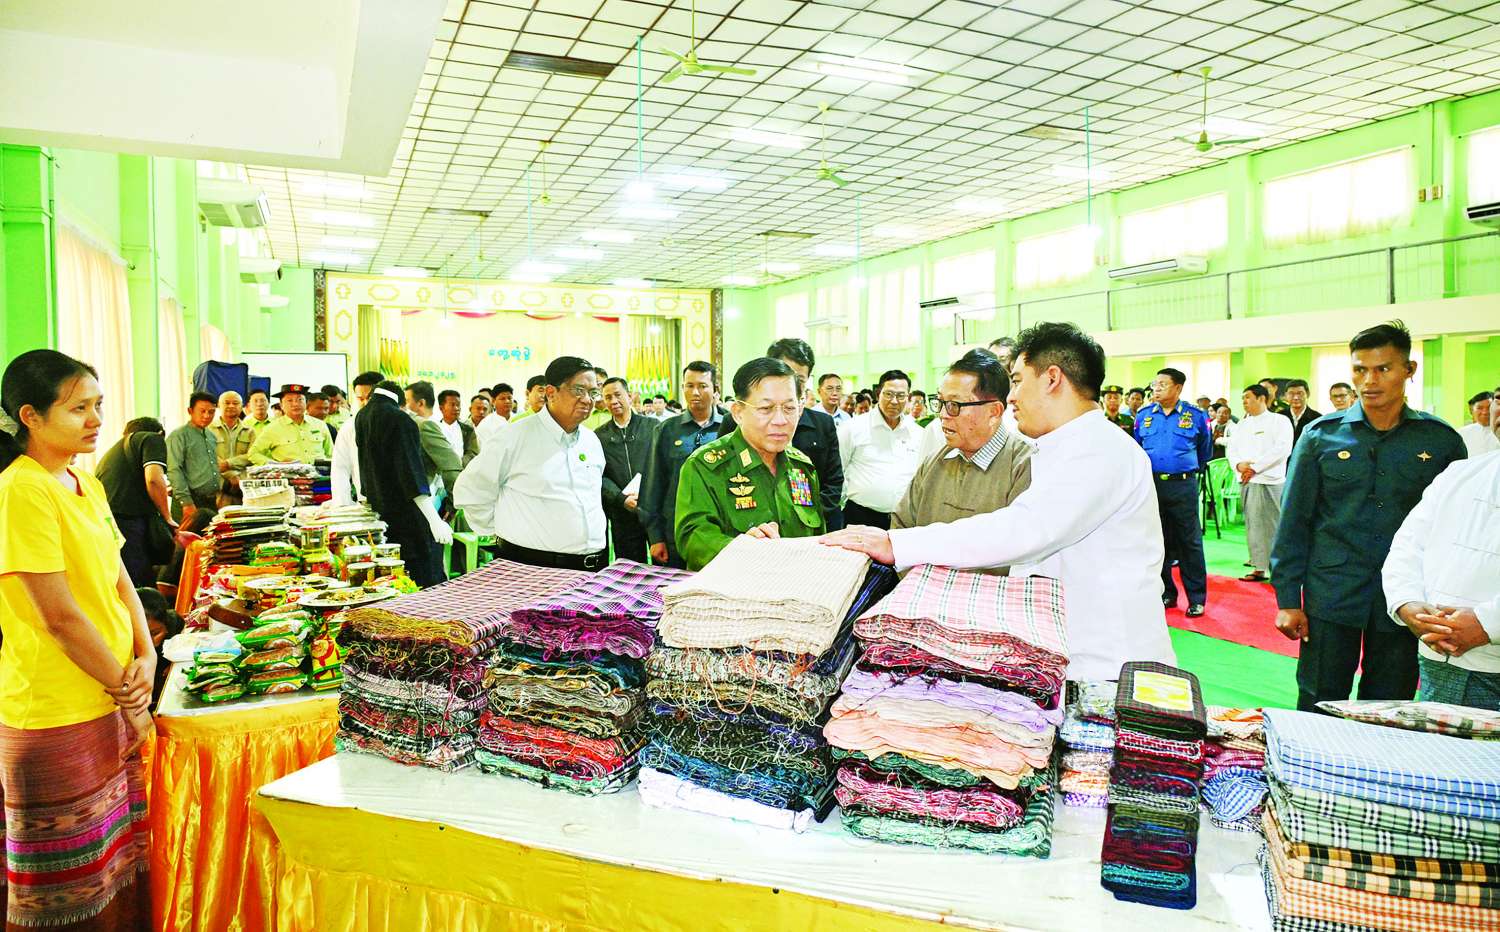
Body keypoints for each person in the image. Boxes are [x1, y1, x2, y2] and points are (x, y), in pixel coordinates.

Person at [825, 322, 1175, 682]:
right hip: (1064, 651)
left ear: (1052, 379)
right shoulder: (1060, 448)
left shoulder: (1099, 450)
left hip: (1107, 663)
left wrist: (897, 544)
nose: (1011, 398)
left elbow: (1023, 529)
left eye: (1019, 381)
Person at [0, 349, 154, 928]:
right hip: (55, 709)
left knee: (113, 868)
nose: (95, 420)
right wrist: (129, 693)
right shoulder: (21, 491)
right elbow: (58, 617)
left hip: (108, 693)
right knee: (66, 893)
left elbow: (119, 578)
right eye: (78, 409)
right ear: (30, 416)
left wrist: (147, 652)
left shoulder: (84, 481)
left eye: (98, 405)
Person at [1271, 320, 1466, 712]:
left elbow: (1453, 530)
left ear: (1409, 370)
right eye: (1360, 370)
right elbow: (1294, 521)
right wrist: (1288, 599)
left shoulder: (1440, 441)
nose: (1370, 381)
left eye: (1384, 369)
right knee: (1319, 698)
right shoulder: (1321, 436)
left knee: (1389, 704)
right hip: (1332, 590)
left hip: (1405, 598)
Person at [454, 357, 608, 570]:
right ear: (551, 393)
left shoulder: (591, 441)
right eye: (579, 390)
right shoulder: (515, 436)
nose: (587, 400)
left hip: (592, 567)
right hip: (530, 566)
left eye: (593, 393)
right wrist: (502, 531)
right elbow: (471, 489)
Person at [673, 358, 826, 570]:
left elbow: (817, 536)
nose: (781, 420)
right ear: (738, 412)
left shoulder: (801, 467)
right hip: (732, 585)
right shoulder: (705, 467)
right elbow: (693, 538)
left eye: (790, 408)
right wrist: (744, 550)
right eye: (766, 408)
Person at [892, 349, 1033, 575]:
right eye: (941, 402)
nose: (943, 414)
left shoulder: (1024, 466)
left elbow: (1022, 556)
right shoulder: (934, 463)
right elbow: (901, 529)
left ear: (994, 411)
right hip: (922, 592)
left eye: (955, 405)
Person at [1383, 452, 1500, 710]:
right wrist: (1408, 603)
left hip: (1494, 664)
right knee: (1435, 737)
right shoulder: (1460, 473)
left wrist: (1488, 624)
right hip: (1437, 660)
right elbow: (1408, 546)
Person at [717, 338, 845, 531]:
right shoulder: (739, 420)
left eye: (798, 379)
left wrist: (805, 517)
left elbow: (833, 482)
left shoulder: (822, 424)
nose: (788, 382)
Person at [354, 381, 453, 587]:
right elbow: (411, 475)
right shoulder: (401, 420)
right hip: (409, 516)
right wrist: (435, 520)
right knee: (424, 578)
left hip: (380, 513)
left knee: (393, 580)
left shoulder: (362, 416)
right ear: (401, 402)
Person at [1135, 367, 1213, 617]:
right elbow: (1137, 449)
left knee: (1189, 542)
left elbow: (1205, 451)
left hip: (1183, 486)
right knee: (1157, 541)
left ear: (1178, 388)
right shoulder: (1144, 415)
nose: (1156, 388)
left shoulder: (1196, 416)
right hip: (1152, 486)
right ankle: (1167, 592)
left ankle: (1196, 598)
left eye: (1162, 384)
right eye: (1154, 384)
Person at [640, 361, 725, 568]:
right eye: (689, 386)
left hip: (722, 532)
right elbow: (653, 484)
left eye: (702, 386)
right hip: (675, 532)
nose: (695, 392)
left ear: (715, 389)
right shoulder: (666, 430)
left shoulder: (730, 426)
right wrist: (655, 536)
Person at [837, 368, 924, 531]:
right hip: (861, 517)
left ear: (908, 398)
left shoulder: (917, 433)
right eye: (889, 394)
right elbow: (838, 470)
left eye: (901, 396)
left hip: (904, 520)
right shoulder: (853, 428)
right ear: (878, 394)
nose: (894, 401)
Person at [96, 417, 176, 587]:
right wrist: (167, 517)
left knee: (127, 583)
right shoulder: (152, 438)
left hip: (107, 524)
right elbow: (154, 479)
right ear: (160, 433)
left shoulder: (110, 454)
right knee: (141, 584)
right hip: (130, 523)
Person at [1227, 384, 1292, 583]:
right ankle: (1259, 567)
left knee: (1274, 525)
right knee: (1253, 525)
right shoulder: (1242, 424)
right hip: (1248, 480)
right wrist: (1239, 465)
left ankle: (1280, 569)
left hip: (1270, 480)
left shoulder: (1279, 421)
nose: (1244, 402)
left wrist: (1255, 468)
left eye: (1248, 397)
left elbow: (1282, 449)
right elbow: (1232, 450)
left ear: (1261, 398)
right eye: (1243, 398)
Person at [596, 376, 659, 562]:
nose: (613, 401)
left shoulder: (653, 426)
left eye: (618, 395)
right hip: (622, 512)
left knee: (663, 565)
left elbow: (662, 465)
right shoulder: (599, 436)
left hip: (654, 510)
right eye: (608, 397)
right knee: (630, 568)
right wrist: (621, 498)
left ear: (629, 396)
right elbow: (599, 475)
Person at [166, 391, 224, 520]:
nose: (206, 416)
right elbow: (174, 470)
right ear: (190, 411)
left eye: (211, 412)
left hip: (210, 500)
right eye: (202, 411)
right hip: (190, 501)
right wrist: (186, 502)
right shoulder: (178, 436)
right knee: (188, 533)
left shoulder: (211, 436)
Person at [405, 381, 463, 509]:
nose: (404, 406)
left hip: (430, 497)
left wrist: (456, 505)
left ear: (421, 403)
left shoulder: (424, 425)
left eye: (407, 401)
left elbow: (451, 465)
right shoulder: (416, 424)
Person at [331, 370, 384, 507]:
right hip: (366, 502)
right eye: (360, 399)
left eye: (370, 398)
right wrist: (343, 505)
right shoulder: (349, 427)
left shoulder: (400, 423)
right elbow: (340, 469)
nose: (365, 403)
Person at [247, 384, 334, 464]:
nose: (295, 404)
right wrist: (276, 465)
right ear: (281, 405)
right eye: (290, 400)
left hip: (319, 474)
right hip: (289, 475)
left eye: (300, 400)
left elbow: (331, 454)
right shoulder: (272, 428)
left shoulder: (320, 425)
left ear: (306, 403)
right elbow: (253, 454)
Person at [211, 390, 257, 492]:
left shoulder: (250, 431)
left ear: (242, 407)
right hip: (217, 483)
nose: (231, 406)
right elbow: (207, 454)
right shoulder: (209, 429)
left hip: (243, 485)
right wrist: (230, 474)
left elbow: (252, 456)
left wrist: (229, 463)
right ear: (218, 405)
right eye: (227, 403)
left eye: (235, 403)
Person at [435, 389, 479, 466]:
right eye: (452, 405)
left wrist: (460, 463)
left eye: (458, 405)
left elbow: (473, 452)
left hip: (463, 470)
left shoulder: (468, 430)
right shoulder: (435, 430)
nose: (456, 408)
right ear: (441, 408)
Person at [1280, 378, 1321, 446]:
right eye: (1291, 393)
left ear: (1308, 394)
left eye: (1300, 393)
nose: (1295, 397)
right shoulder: (1279, 416)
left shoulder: (1317, 418)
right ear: (1286, 395)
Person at [1459, 390, 1498, 457]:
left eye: (1489, 407)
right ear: (1472, 410)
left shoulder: (1498, 430)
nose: (1485, 412)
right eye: (1480, 408)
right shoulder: (1462, 432)